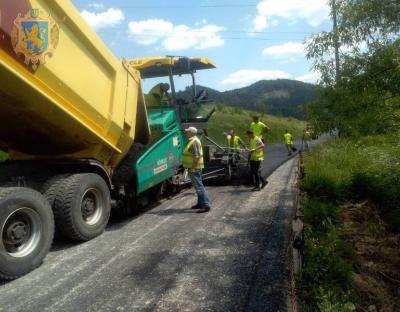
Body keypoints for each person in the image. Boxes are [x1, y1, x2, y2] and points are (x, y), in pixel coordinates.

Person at [182, 127, 211, 213]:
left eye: (187, 131)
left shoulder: (194, 142)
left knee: (199, 187)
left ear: (191, 133)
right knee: (197, 187)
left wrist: (193, 168)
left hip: (195, 168)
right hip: (194, 167)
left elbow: (196, 156)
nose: (186, 133)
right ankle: (200, 203)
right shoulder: (193, 140)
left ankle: (206, 205)